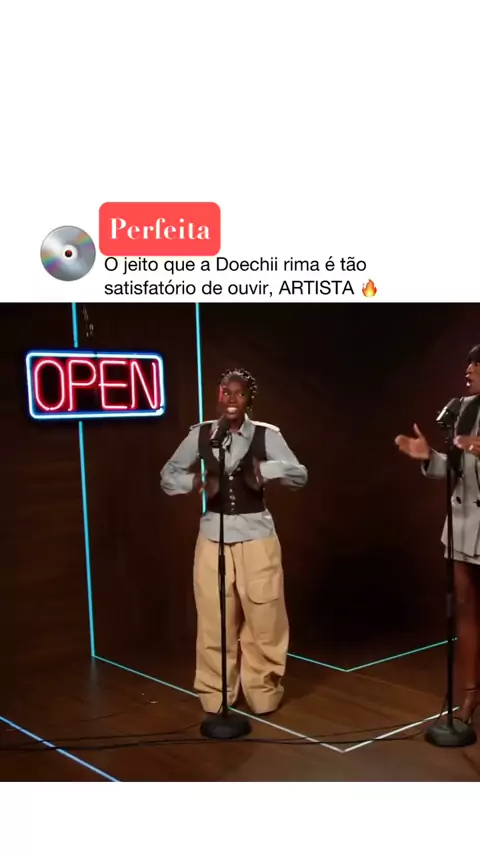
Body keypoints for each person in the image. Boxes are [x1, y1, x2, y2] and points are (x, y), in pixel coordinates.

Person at [160, 368, 307, 716]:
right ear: (218, 395)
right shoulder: (201, 435)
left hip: (257, 537)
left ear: (249, 399)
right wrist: (196, 481)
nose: (231, 399)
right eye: (226, 392)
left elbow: (299, 474)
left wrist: (265, 471)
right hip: (213, 536)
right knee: (214, 618)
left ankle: (262, 691)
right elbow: (168, 475)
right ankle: (217, 694)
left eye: (239, 394)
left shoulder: (267, 435)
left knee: (264, 617)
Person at [395, 344, 480, 725]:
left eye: (478, 364)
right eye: (469, 363)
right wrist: (429, 457)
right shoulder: (462, 409)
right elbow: (458, 466)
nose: (469, 369)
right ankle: (470, 693)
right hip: (464, 523)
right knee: (467, 609)